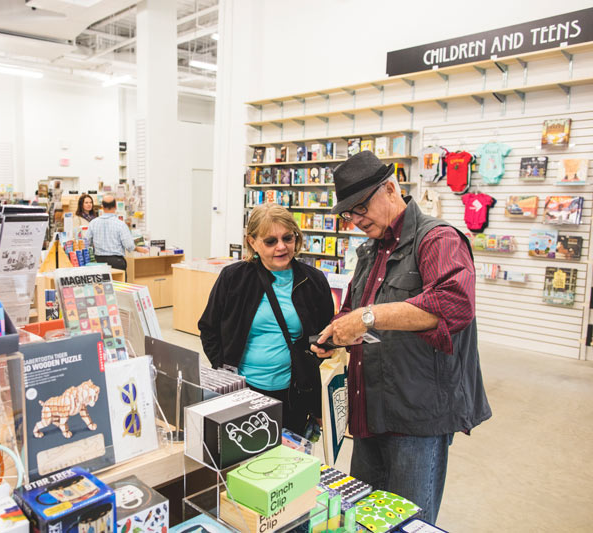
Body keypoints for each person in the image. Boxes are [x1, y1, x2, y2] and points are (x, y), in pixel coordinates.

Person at [311, 151, 491, 524]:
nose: (355, 221)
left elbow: (453, 304)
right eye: (348, 214)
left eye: (360, 208)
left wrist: (368, 317)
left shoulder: (438, 240)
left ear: (391, 188)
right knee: (362, 519)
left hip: (416, 417)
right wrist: (335, 333)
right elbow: (355, 310)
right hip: (369, 410)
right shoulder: (370, 250)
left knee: (409, 522)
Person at [198, 203, 334, 434]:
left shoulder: (314, 280)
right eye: (270, 241)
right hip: (242, 390)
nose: (281, 247)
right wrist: (223, 371)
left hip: (294, 392)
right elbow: (209, 328)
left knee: (288, 463)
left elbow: (325, 333)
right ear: (252, 242)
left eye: (288, 238)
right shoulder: (234, 278)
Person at [87, 194, 148, 274]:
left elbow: (87, 242)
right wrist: (138, 248)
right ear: (115, 206)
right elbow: (129, 245)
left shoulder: (93, 223)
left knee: (102, 286)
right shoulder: (120, 224)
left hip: (99, 261)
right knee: (119, 285)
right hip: (116, 262)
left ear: (102, 206)